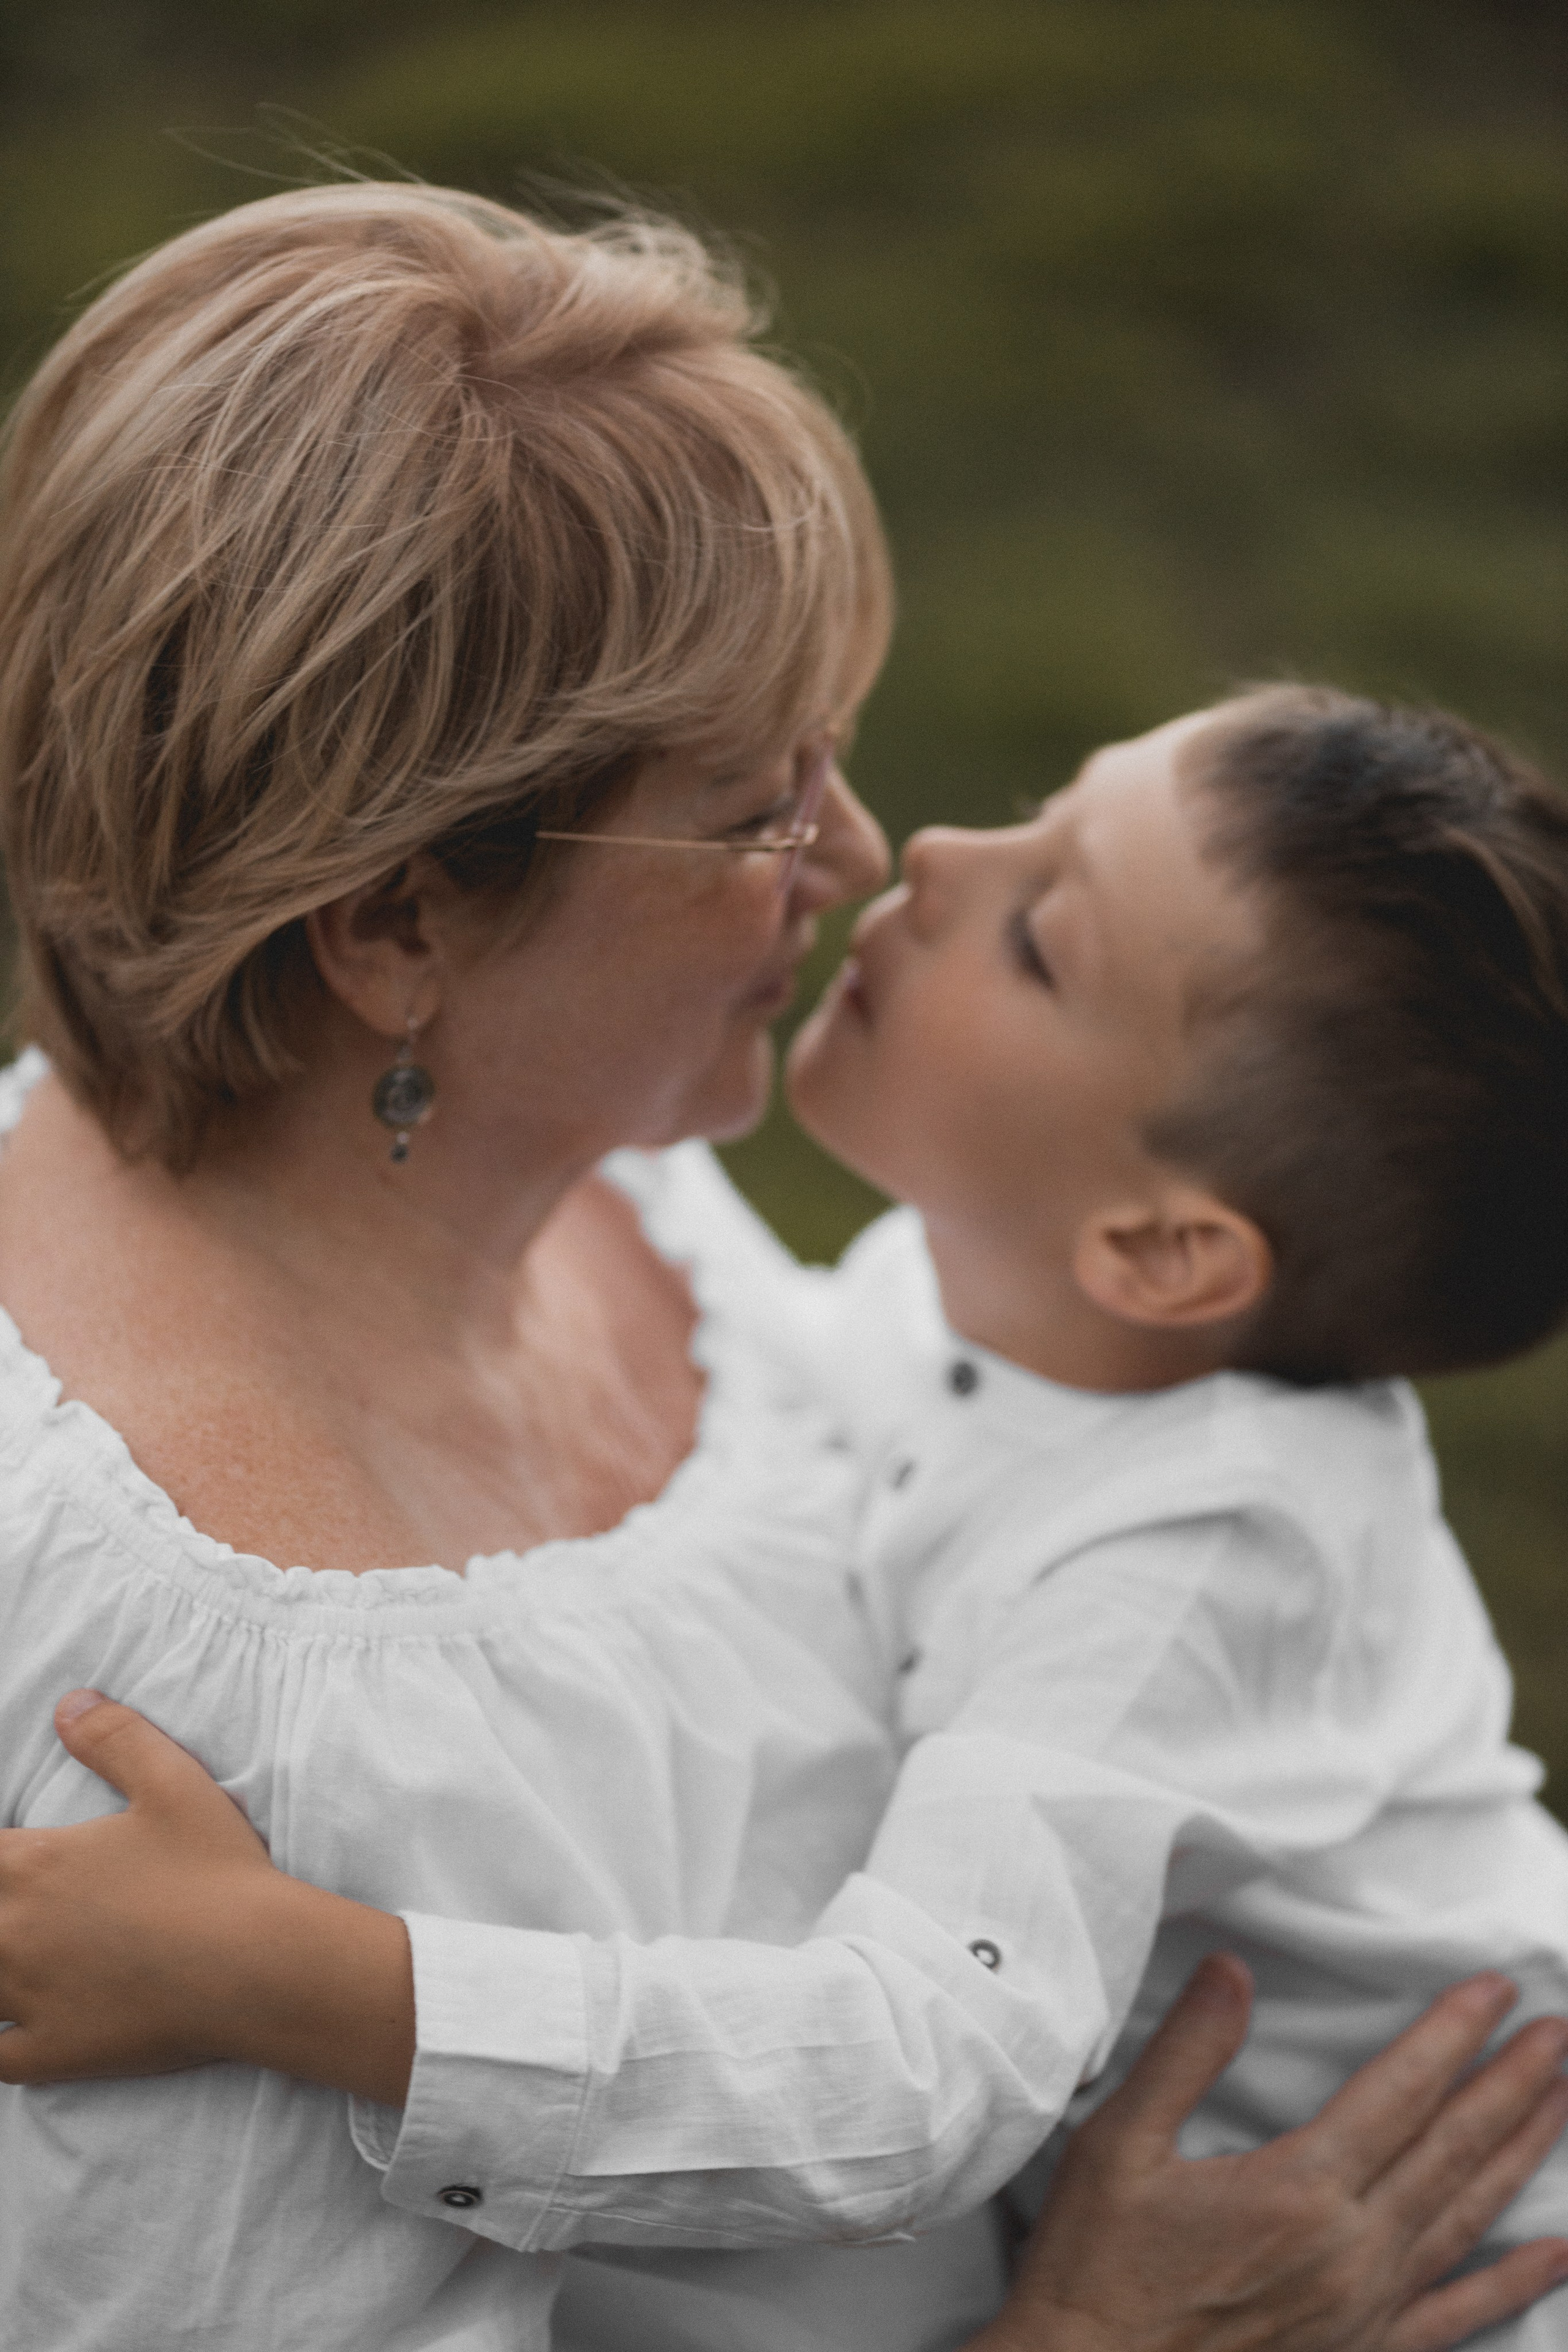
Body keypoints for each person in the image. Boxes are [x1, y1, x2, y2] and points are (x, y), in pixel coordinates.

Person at [0, 174, 1564, 2352]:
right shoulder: (155, 1726)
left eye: (828, 754)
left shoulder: (599, 1185)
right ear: (397, 927)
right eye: (753, 807)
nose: (867, 853)